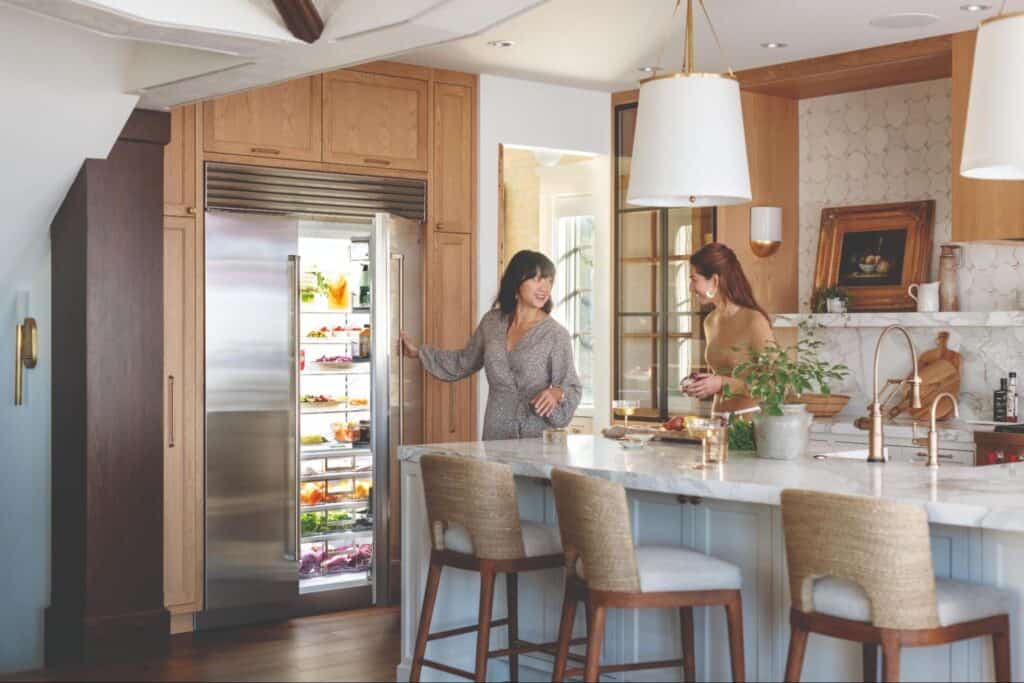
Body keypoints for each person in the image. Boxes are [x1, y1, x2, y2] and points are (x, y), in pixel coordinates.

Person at [400, 250, 582, 440]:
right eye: (537, 279)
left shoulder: (555, 334)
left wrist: (557, 392)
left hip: (535, 439)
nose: (545, 287)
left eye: (549, 281)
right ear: (517, 280)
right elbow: (463, 361)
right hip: (495, 434)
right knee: (494, 472)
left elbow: (572, 387)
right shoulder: (492, 323)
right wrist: (418, 352)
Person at [681, 242, 774, 413]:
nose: (690, 288)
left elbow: (774, 385)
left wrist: (722, 383)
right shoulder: (710, 321)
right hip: (717, 422)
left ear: (715, 280)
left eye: (694, 280)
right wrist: (702, 385)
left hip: (747, 425)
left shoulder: (754, 321)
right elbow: (721, 375)